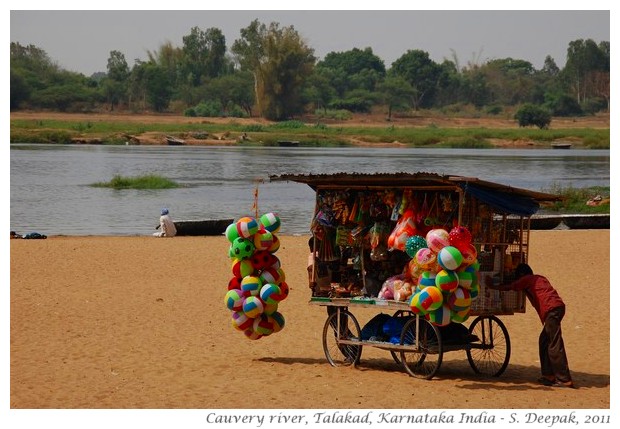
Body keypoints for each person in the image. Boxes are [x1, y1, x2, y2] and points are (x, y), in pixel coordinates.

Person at [485, 263, 575, 388]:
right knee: (544, 341)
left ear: (522, 275)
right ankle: (548, 375)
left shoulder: (527, 279)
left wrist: (493, 286)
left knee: (554, 343)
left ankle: (564, 379)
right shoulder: (540, 278)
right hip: (558, 307)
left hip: (551, 310)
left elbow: (511, 286)